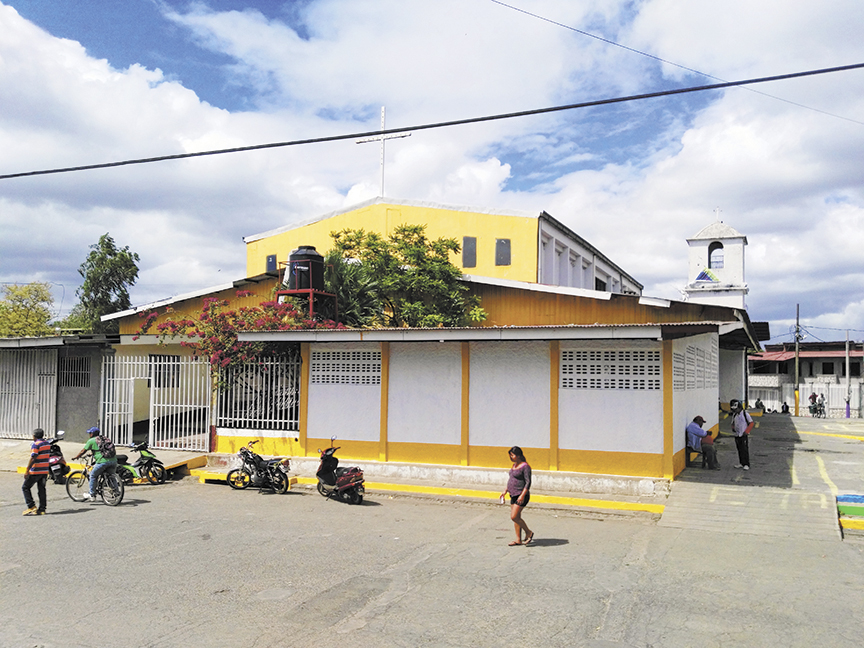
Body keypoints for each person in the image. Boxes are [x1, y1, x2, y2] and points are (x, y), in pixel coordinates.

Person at [72, 426, 117, 501]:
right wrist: (92, 454)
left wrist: (76, 457)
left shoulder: (91, 440)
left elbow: (83, 451)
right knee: (111, 477)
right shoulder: (104, 439)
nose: (89, 434)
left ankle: (92, 494)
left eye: (90, 433)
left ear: (92, 434)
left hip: (102, 462)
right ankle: (117, 492)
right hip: (113, 461)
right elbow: (101, 450)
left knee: (92, 475)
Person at [500, 446, 534, 546]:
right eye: (510, 455)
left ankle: (528, 532)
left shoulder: (525, 466)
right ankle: (518, 539)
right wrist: (505, 490)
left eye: (512, 455)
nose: (511, 457)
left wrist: (522, 495)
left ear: (518, 455)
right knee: (517, 517)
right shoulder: (514, 466)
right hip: (513, 494)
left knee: (514, 516)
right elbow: (511, 479)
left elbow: (528, 482)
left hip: (521, 495)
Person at [22, 428, 51, 515]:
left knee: (25, 487)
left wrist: (27, 470)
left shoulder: (36, 444)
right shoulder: (47, 443)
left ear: (34, 436)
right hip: (44, 471)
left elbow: (33, 457)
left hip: (36, 471)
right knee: (41, 489)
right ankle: (42, 509)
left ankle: (31, 506)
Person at [729, 399, 754, 470]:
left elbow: (751, 423)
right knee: (739, 449)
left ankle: (746, 464)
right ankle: (741, 463)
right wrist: (733, 428)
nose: (735, 411)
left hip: (743, 435)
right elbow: (732, 423)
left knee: (744, 450)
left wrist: (747, 431)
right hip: (737, 435)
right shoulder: (734, 415)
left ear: (740, 408)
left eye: (736, 409)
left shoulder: (745, 414)